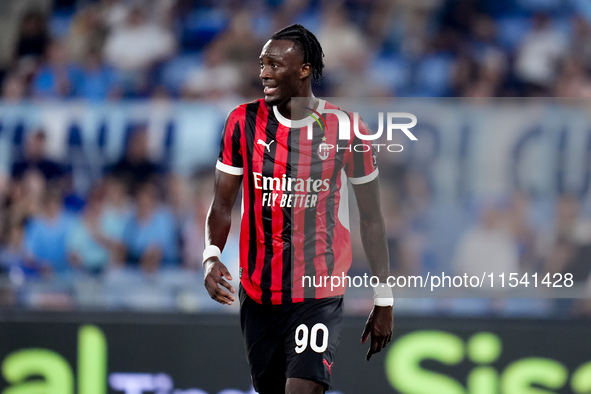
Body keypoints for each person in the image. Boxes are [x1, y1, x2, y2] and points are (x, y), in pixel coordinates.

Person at [203, 24, 393, 394]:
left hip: (318, 290)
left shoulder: (347, 129)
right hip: (259, 292)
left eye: (274, 64)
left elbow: (371, 218)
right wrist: (211, 256)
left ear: (304, 69)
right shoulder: (242, 122)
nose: (264, 73)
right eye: (262, 64)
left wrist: (383, 296)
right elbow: (223, 203)